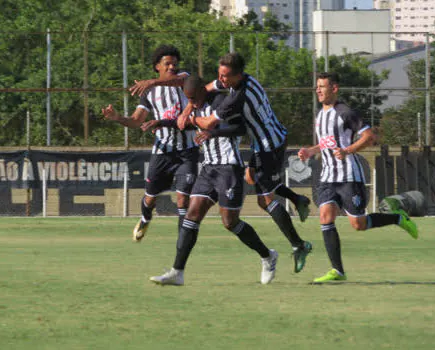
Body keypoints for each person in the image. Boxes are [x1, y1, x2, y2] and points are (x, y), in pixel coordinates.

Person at [178, 52, 312, 274]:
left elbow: (209, 122)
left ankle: (299, 245)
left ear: (237, 76)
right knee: (253, 178)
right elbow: (209, 86)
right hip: (266, 141)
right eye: (219, 74)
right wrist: (189, 106)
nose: (221, 80)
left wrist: (189, 119)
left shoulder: (238, 96)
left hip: (269, 145)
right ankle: (298, 199)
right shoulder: (245, 79)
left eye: (225, 77)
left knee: (265, 199)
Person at [150, 75, 278, 286]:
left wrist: (213, 132)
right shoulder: (194, 105)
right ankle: (177, 271)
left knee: (230, 222)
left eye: (194, 98)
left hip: (229, 167)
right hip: (209, 168)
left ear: (203, 90)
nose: (192, 103)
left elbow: (240, 128)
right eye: (188, 99)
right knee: (192, 215)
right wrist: (162, 122)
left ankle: (267, 256)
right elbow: (189, 124)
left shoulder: (221, 103)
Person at [298, 72, 419, 283]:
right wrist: (310, 151)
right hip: (327, 176)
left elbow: (369, 136)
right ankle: (337, 271)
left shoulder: (345, 112)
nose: (318, 90)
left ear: (334, 89)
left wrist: (348, 150)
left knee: (358, 224)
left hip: (348, 176)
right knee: (325, 217)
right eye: (316, 86)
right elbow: (328, 142)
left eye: (322, 86)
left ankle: (397, 217)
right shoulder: (320, 115)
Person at [102, 45, 197, 242]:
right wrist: (117, 117)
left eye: (174, 63)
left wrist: (151, 81)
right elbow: (137, 121)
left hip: (187, 150)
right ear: (157, 66)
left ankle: (183, 242)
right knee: (150, 198)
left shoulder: (184, 79)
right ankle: (145, 218)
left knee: (183, 199)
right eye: (167, 64)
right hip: (163, 151)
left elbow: (179, 79)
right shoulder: (150, 93)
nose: (172, 67)